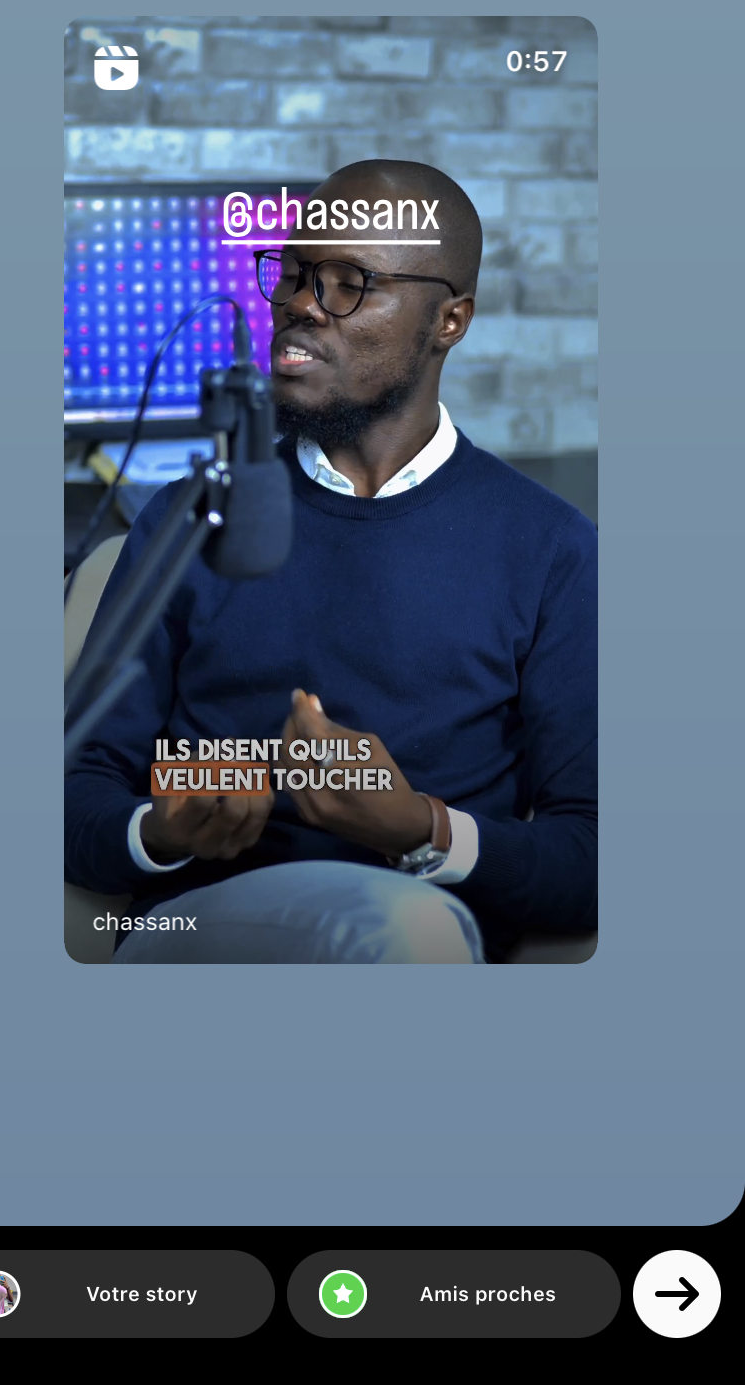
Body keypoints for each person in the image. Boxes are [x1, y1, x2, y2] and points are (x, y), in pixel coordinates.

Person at [65, 160, 597, 963]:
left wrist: (421, 829)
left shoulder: (551, 548)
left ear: (449, 321)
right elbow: (74, 791)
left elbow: (592, 855)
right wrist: (162, 829)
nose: (299, 304)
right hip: (200, 933)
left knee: (406, 929)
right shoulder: (187, 519)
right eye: (293, 274)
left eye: (350, 283)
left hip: (429, 944)